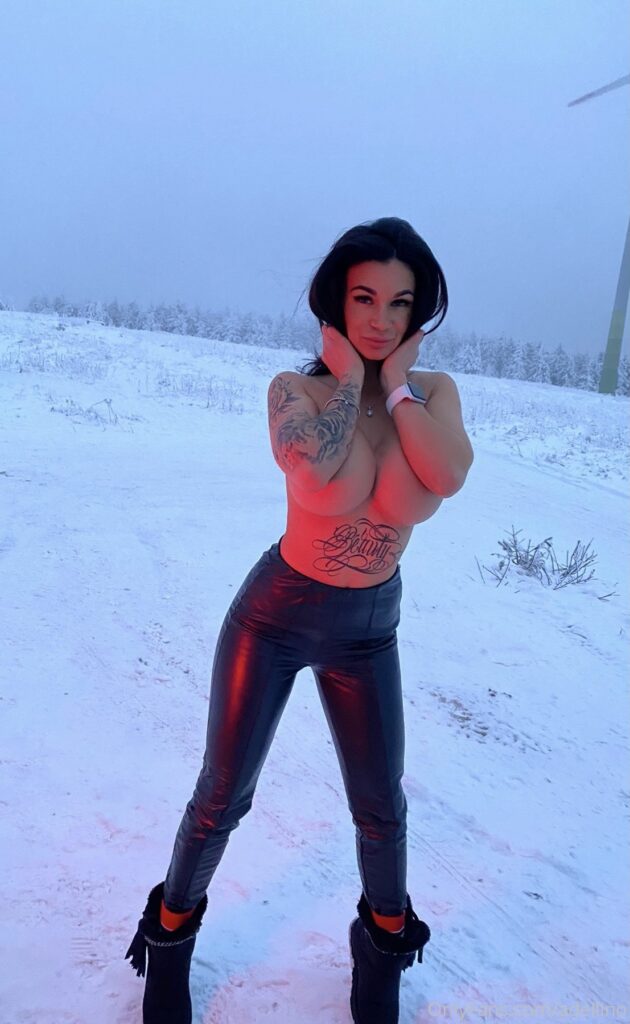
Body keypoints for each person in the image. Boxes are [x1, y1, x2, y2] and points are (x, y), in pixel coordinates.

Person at [125, 216, 474, 1024]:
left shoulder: (434, 395)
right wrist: (350, 378)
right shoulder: (296, 390)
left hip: (369, 627)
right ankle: (169, 942)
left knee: (380, 806)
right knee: (222, 795)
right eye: (363, 298)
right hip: (276, 615)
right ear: (335, 303)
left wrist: (395, 386)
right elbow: (314, 468)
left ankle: (382, 955)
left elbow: (448, 474)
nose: (381, 318)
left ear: (419, 310)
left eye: (400, 302)